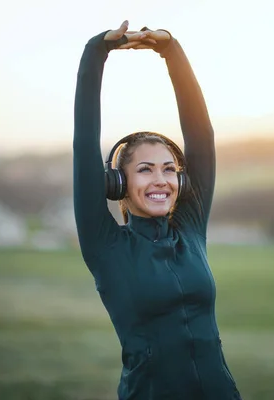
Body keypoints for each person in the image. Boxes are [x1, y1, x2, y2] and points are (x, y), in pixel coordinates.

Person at [73, 20, 242, 400]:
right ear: (118, 183)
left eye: (169, 169)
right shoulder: (106, 247)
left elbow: (202, 137)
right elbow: (84, 142)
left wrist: (171, 51)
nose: (160, 180)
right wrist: (96, 52)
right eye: (145, 170)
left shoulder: (191, 229)